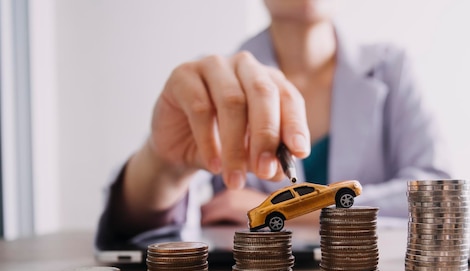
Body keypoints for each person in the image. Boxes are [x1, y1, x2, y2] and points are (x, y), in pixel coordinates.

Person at [96, 0, 451, 247]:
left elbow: (440, 196)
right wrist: (163, 164)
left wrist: (299, 213)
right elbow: (138, 229)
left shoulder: (393, 67)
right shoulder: (215, 81)